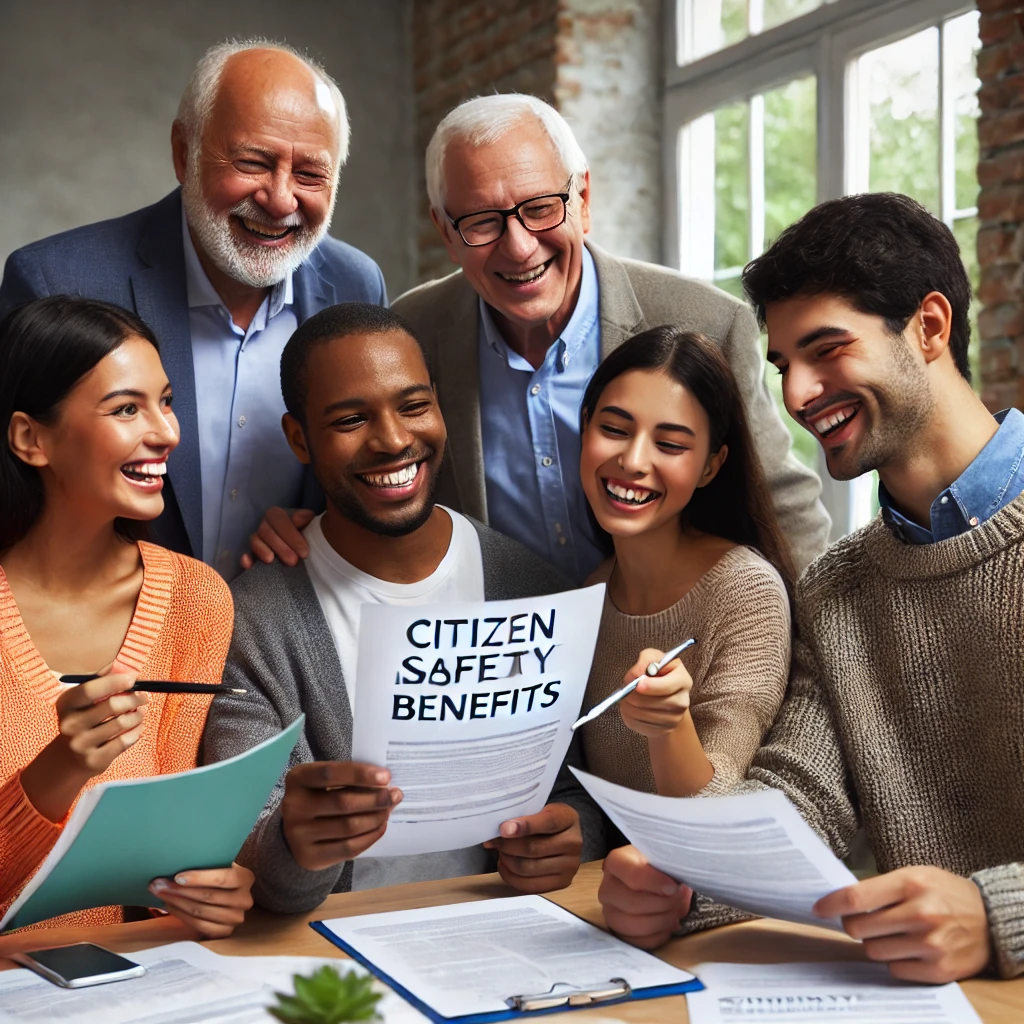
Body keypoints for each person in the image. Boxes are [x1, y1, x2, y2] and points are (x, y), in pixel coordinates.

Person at [597, 193, 1024, 984]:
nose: (796, 395)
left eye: (826, 350)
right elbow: (798, 804)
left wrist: (997, 914)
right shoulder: (839, 591)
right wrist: (684, 883)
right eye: (785, 364)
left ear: (929, 328)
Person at [248, 94, 830, 584]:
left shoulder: (705, 321)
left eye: (540, 208)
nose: (519, 247)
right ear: (445, 233)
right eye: (480, 221)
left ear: (582, 200)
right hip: (501, 670)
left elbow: (781, 508)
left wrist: (812, 665)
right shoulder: (413, 333)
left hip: (678, 652)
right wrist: (311, 528)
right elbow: (378, 481)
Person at [201, 302, 602, 914]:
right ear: (299, 439)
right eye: (351, 419)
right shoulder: (254, 621)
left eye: (414, 406)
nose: (392, 440)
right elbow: (251, 851)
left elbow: (574, 786)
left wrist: (568, 834)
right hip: (332, 959)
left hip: (502, 933)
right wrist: (292, 843)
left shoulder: (529, 586)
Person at [0, 40, 386, 578]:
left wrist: (321, 530)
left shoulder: (356, 285)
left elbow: (366, 467)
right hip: (109, 640)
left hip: (282, 643)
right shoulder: (55, 281)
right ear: (185, 152)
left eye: (310, 174)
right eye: (254, 162)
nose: (280, 200)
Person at [0, 296, 254, 936]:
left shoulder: (194, 601)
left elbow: (159, 865)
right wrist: (56, 772)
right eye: (126, 409)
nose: (167, 431)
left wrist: (201, 893)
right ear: (32, 439)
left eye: (165, 401)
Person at [575, 327, 793, 799]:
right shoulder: (588, 595)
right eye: (613, 429)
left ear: (711, 466)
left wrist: (667, 727)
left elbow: (716, 804)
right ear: (585, 426)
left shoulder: (746, 591)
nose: (633, 461)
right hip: (603, 874)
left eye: (670, 445)